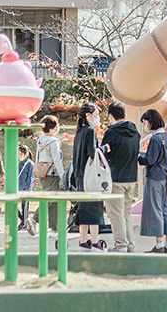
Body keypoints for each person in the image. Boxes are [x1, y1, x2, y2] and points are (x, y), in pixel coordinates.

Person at [101, 101, 139, 252]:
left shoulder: (111, 133)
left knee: (115, 214)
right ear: (124, 114)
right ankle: (130, 244)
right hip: (131, 178)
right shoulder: (135, 132)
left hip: (116, 178)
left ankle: (121, 245)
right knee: (126, 213)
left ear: (111, 116)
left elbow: (102, 155)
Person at [138, 108, 167, 253]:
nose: (145, 126)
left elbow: (150, 160)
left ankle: (159, 245)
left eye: (145, 122)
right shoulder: (165, 136)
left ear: (151, 122)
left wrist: (139, 157)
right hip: (165, 176)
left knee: (155, 210)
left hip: (154, 177)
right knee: (165, 210)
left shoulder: (155, 139)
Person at [72, 102, 105, 251]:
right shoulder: (90, 131)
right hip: (89, 176)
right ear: (88, 115)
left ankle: (83, 241)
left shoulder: (78, 132)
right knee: (94, 208)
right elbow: (93, 153)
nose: (98, 118)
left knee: (83, 209)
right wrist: (104, 148)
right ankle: (96, 242)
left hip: (79, 176)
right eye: (96, 114)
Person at [29, 115, 63, 236]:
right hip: (52, 175)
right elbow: (57, 161)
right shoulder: (53, 142)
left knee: (53, 201)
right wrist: (62, 175)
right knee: (49, 200)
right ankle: (34, 219)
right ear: (52, 127)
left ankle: (54, 229)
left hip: (42, 173)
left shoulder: (41, 140)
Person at [16, 144, 34, 230]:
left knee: (25, 207)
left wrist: (28, 190)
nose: (20, 156)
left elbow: (30, 178)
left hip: (26, 190)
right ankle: (23, 220)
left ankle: (24, 222)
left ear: (26, 154)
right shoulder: (19, 164)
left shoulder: (30, 164)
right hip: (19, 188)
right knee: (14, 206)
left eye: (21, 154)